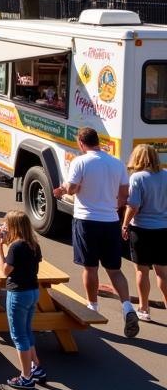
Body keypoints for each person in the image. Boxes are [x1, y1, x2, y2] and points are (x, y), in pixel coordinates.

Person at [52, 126, 139, 337]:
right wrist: (111, 205)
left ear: (81, 143)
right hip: (110, 221)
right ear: (97, 141)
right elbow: (124, 194)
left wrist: (63, 188)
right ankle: (127, 307)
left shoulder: (80, 162)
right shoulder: (116, 163)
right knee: (115, 270)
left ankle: (92, 307)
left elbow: (72, 189)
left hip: (86, 220)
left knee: (90, 268)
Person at [0, 211, 46, 389]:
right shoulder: (33, 244)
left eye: (6, 225)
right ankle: (36, 366)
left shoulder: (15, 247)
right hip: (33, 291)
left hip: (18, 294)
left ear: (14, 226)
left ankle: (26, 377)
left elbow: (5, 271)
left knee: (18, 335)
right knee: (27, 330)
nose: (4, 227)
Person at [122, 144, 167, 323]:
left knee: (142, 272)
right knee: (162, 273)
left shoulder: (137, 178)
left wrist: (125, 224)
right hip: (163, 230)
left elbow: (134, 206)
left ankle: (144, 308)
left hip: (142, 230)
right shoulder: (166, 175)